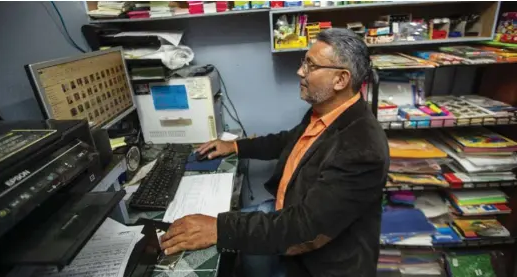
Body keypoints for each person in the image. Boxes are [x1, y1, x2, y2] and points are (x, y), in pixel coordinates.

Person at [160, 28, 389, 277]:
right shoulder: (326, 112)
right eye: (304, 62)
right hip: (285, 213)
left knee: (223, 236)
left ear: (341, 80)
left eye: (311, 66)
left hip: (319, 261)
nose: (300, 71)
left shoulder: (362, 149)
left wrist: (219, 229)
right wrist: (236, 146)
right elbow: (289, 141)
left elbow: (305, 225)